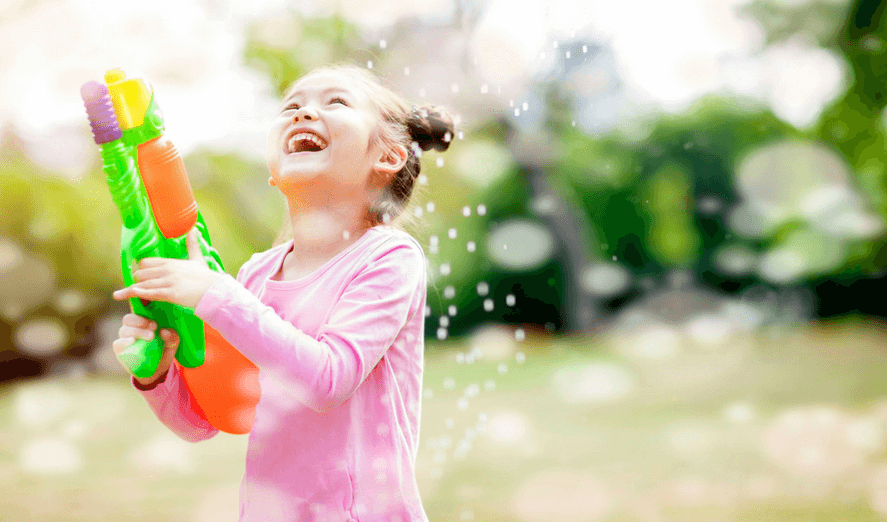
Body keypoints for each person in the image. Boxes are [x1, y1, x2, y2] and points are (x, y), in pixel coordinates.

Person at [111, 63, 455, 522]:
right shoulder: (257, 273)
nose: (303, 113)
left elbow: (327, 379)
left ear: (388, 157)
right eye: (291, 105)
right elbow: (214, 417)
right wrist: (157, 374)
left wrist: (215, 293)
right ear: (275, 171)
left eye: (335, 102)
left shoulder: (388, 257)